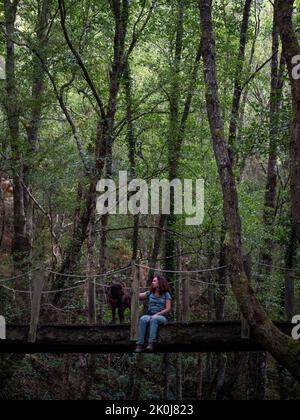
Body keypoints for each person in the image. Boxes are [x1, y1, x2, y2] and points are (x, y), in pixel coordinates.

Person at [134, 275, 172, 353]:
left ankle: (151, 343)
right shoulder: (150, 293)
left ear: (160, 283)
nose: (152, 282)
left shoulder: (166, 294)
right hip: (150, 315)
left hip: (162, 316)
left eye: (154, 281)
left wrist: (157, 314)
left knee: (154, 319)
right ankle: (139, 344)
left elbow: (168, 309)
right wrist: (133, 290)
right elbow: (138, 295)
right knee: (143, 318)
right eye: (153, 281)